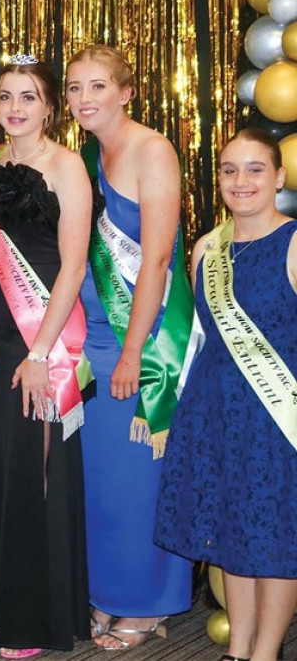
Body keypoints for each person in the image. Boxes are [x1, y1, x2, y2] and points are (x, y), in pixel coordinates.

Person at [65, 44, 193, 650]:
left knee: (138, 477)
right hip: (91, 334)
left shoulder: (151, 149)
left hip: (137, 338)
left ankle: (146, 604)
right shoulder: (89, 155)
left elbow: (158, 258)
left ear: (126, 91)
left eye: (97, 86)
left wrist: (131, 350)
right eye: (73, 88)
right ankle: (108, 592)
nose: (84, 98)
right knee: (100, 480)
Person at [154, 127, 297, 661]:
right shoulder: (206, 248)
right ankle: (239, 647)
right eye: (230, 170)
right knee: (229, 531)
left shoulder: (294, 241)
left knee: (279, 537)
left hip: (276, 417)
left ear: (278, 177)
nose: (241, 181)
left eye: (255, 169)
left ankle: (266, 651)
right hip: (215, 409)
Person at [0, 54, 92, 659]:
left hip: (48, 327)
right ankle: (6, 609)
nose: (15, 108)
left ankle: (38, 620)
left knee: (37, 471)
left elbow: (73, 265)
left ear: (49, 107)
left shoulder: (68, 166)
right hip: (0, 324)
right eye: (5, 97)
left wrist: (42, 351)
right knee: (2, 469)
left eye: (28, 97)